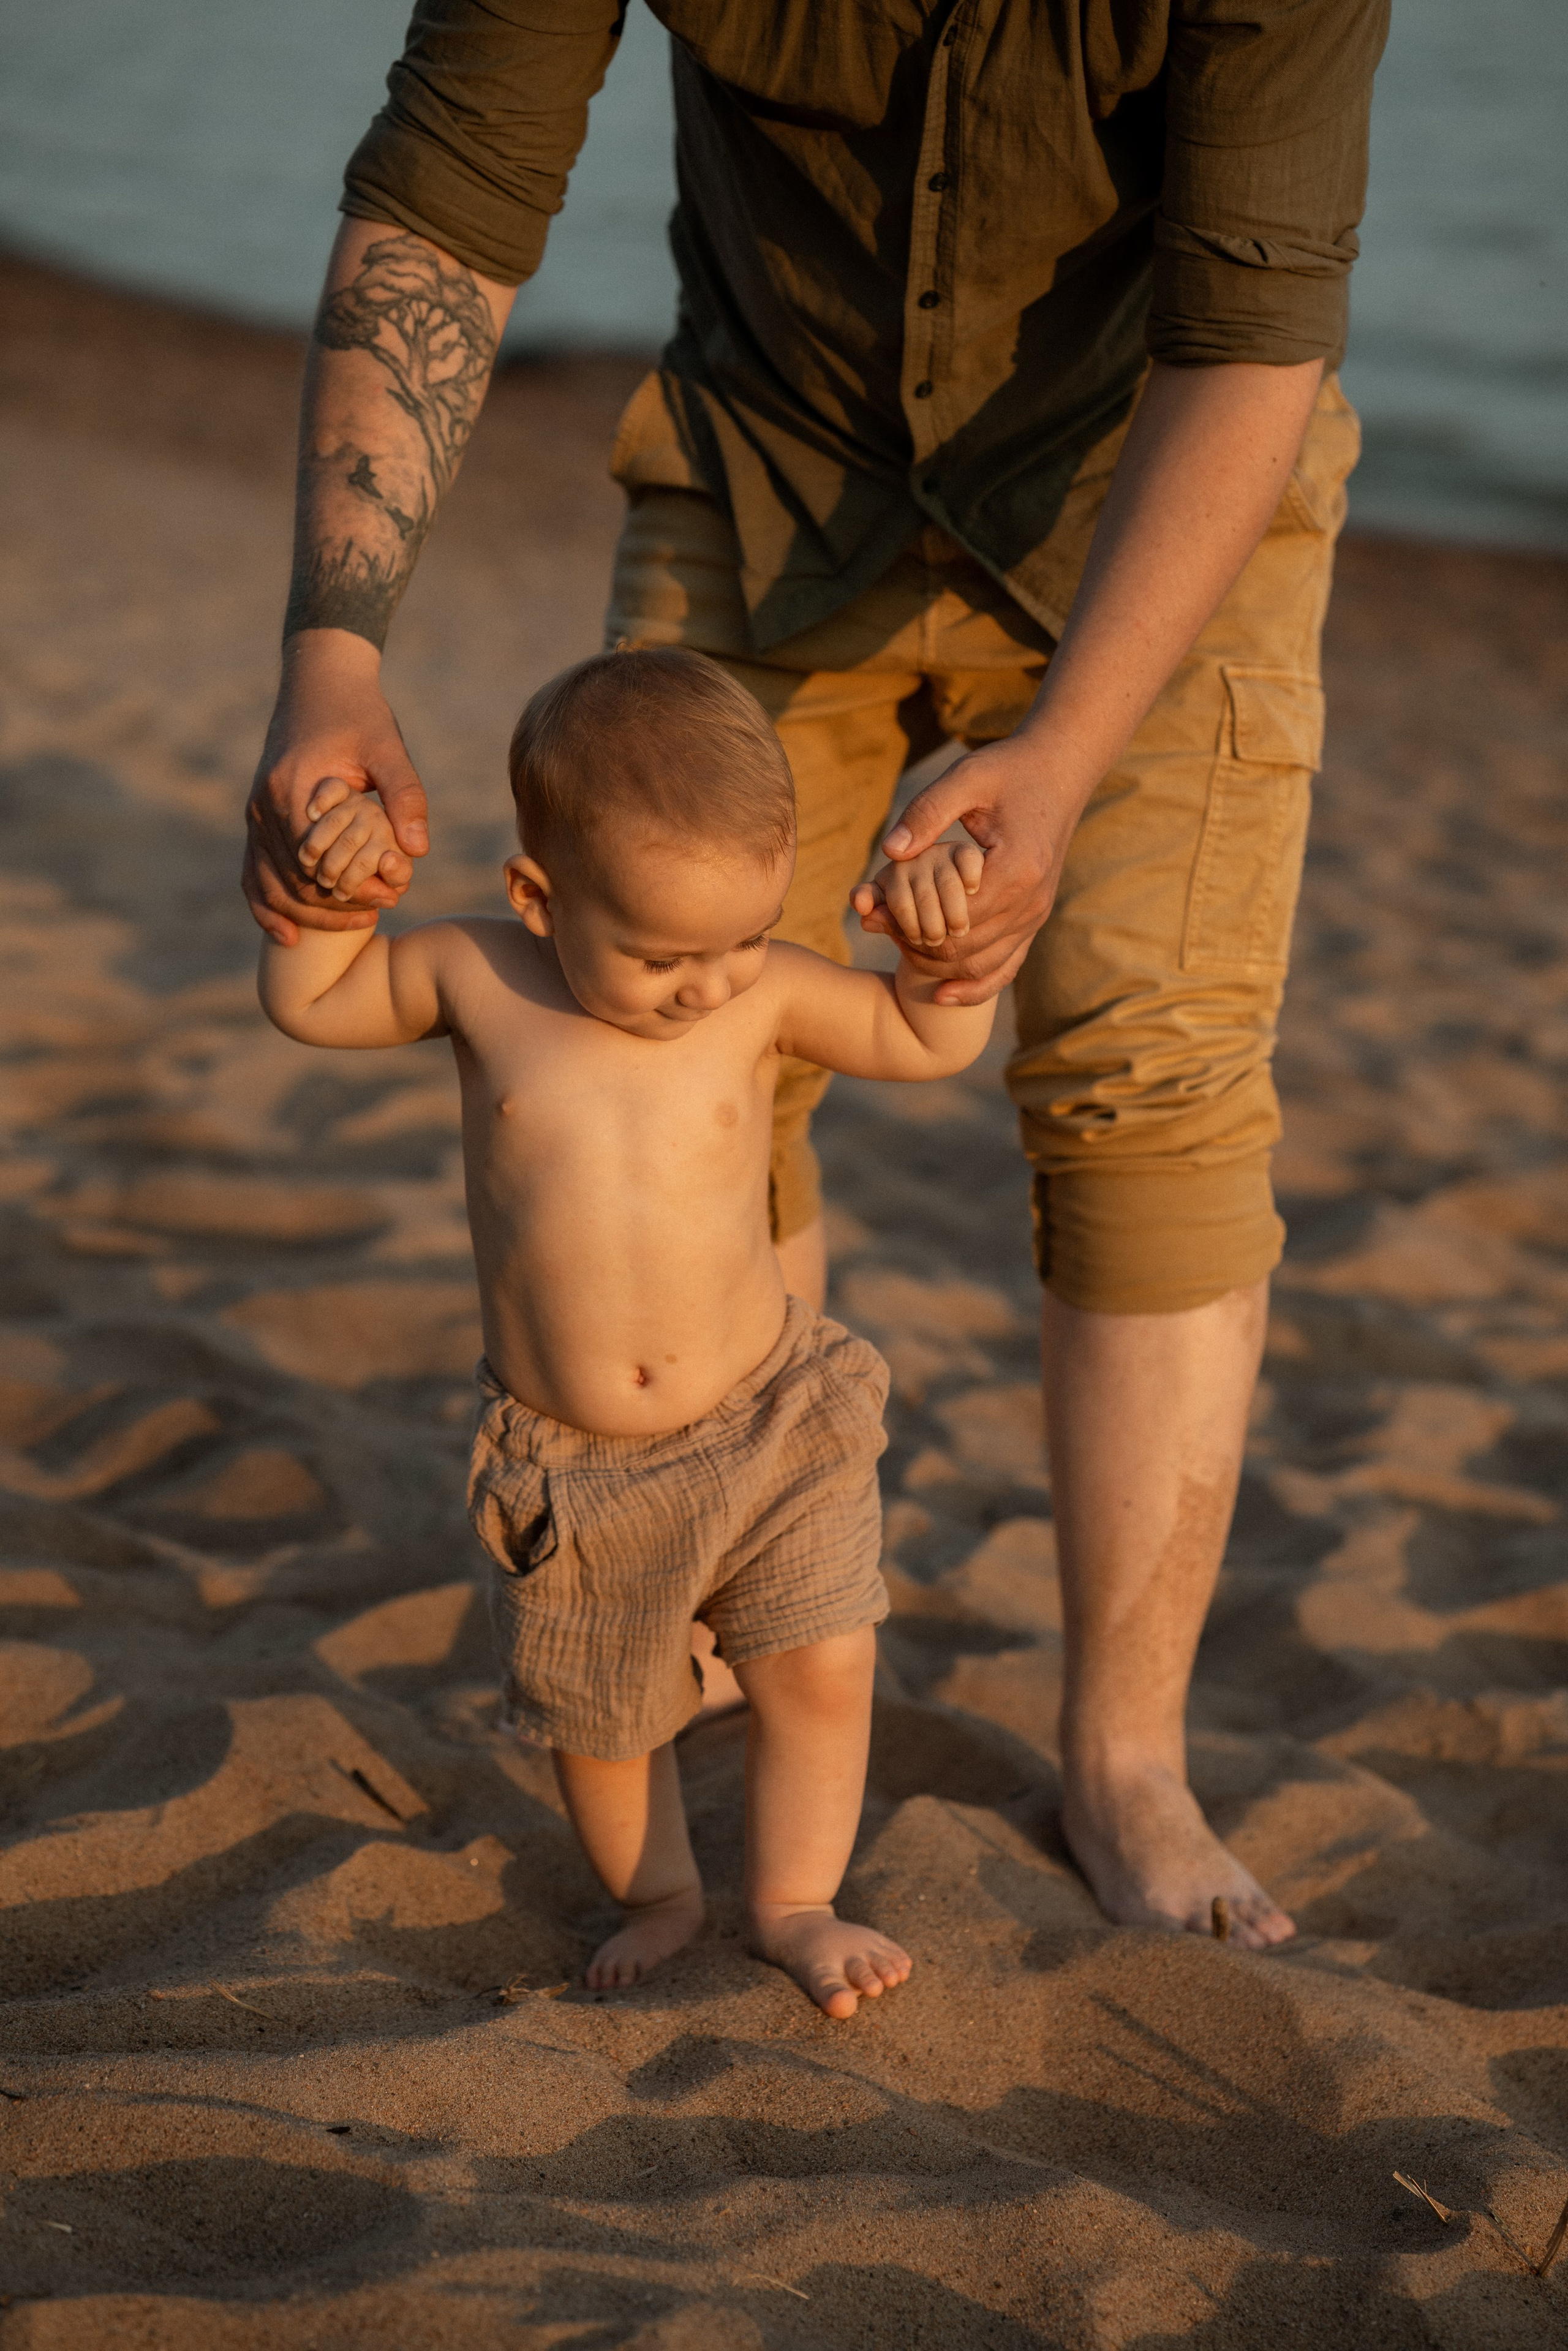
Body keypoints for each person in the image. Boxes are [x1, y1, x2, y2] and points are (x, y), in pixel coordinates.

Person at [246, 2, 1389, 1952]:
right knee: (695, 1059)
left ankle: (1126, 1755)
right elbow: (449, 196)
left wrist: (1061, 755)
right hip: (766, 461)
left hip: (1157, 495)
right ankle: (704, 1619)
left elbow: (1254, 324)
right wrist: (333, 659)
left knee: (1152, 1089)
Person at [256, 645, 994, 2015]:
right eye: (659, 953)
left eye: (733, 942)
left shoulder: (762, 989)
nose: (704, 985)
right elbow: (311, 1000)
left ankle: (794, 1900)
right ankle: (659, 1892)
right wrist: (324, 887)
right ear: (536, 896)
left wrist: (945, 955)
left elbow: (921, 1040)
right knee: (605, 1726)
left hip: (768, 1417)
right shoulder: (480, 979)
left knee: (827, 1663)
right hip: (577, 1469)